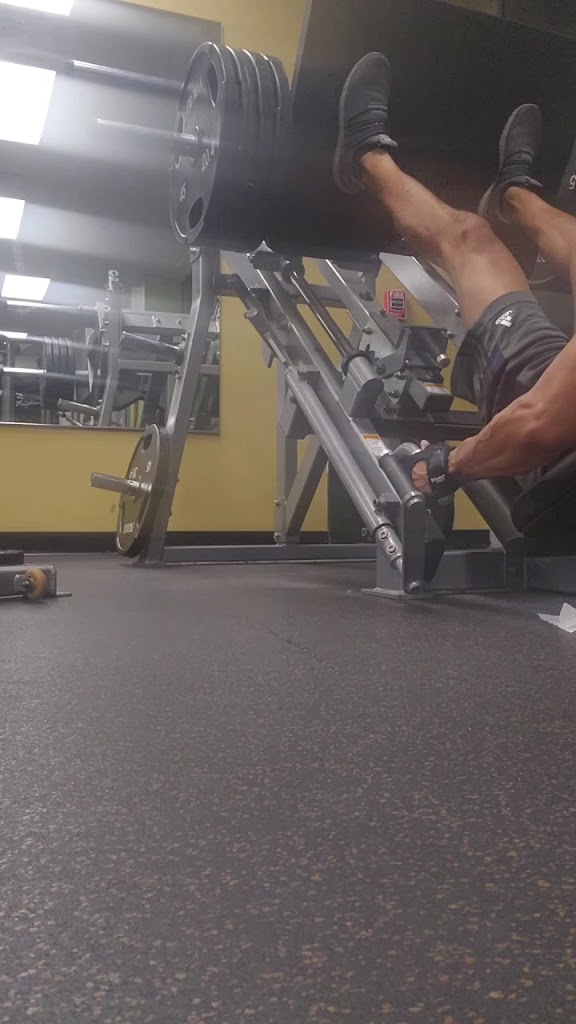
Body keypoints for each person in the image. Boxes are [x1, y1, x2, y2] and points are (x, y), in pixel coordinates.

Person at [333, 53, 576, 499]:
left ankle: (365, 158)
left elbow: (536, 427)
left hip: (553, 444)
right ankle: (512, 195)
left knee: (469, 238)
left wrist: (446, 467)